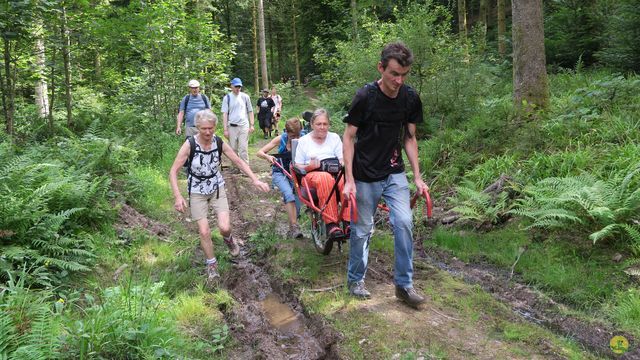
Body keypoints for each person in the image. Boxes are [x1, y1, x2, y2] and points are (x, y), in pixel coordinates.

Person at [342, 42, 429, 309]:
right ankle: (356, 279)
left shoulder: (410, 97)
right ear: (381, 68)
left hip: (394, 172)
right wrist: (349, 180)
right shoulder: (365, 97)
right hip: (365, 173)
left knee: (404, 222)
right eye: (393, 73)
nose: (398, 80)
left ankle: (404, 285)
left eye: (403, 74)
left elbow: (410, 138)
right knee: (362, 230)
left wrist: (417, 176)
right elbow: (348, 137)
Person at [169, 109, 270, 280]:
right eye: (203, 129)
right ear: (197, 128)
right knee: (204, 231)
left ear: (215, 127)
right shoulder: (189, 145)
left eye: (211, 128)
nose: (207, 132)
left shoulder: (219, 142)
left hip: (216, 187)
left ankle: (229, 239)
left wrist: (255, 179)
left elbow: (237, 160)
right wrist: (178, 196)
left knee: (224, 227)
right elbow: (173, 171)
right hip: (196, 191)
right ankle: (212, 265)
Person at [294, 108, 350, 238]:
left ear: (329, 125)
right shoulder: (304, 141)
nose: (322, 127)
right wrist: (310, 166)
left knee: (346, 178)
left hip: (334, 172)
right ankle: (331, 224)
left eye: (325, 124)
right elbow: (297, 165)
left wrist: (342, 163)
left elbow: (342, 158)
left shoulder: (334, 137)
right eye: (319, 124)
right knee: (325, 179)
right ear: (312, 124)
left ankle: (348, 222)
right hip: (311, 175)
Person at [257, 118, 305, 239]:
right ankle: (294, 227)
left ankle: (292, 226)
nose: (296, 138)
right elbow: (260, 152)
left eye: (298, 135)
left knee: (297, 205)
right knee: (288, 194)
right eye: (293, 136)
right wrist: (268, 157)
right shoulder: (281, 138)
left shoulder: (306, 138)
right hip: (281, 172)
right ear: (287, 132)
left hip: (298, 174)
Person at [221, 78, 255, 164]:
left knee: (243, 148)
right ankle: (235, 166)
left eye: (239, 87)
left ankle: (245, 167)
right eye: (236, 86)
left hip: (243, 126)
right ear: (231, 86)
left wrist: (252, 125)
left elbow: (250, 111)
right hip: (232, 127)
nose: (238, 88)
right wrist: (225, 130)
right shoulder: (227, 98)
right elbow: (225, 114)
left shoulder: (245, 97)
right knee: (233, 148)